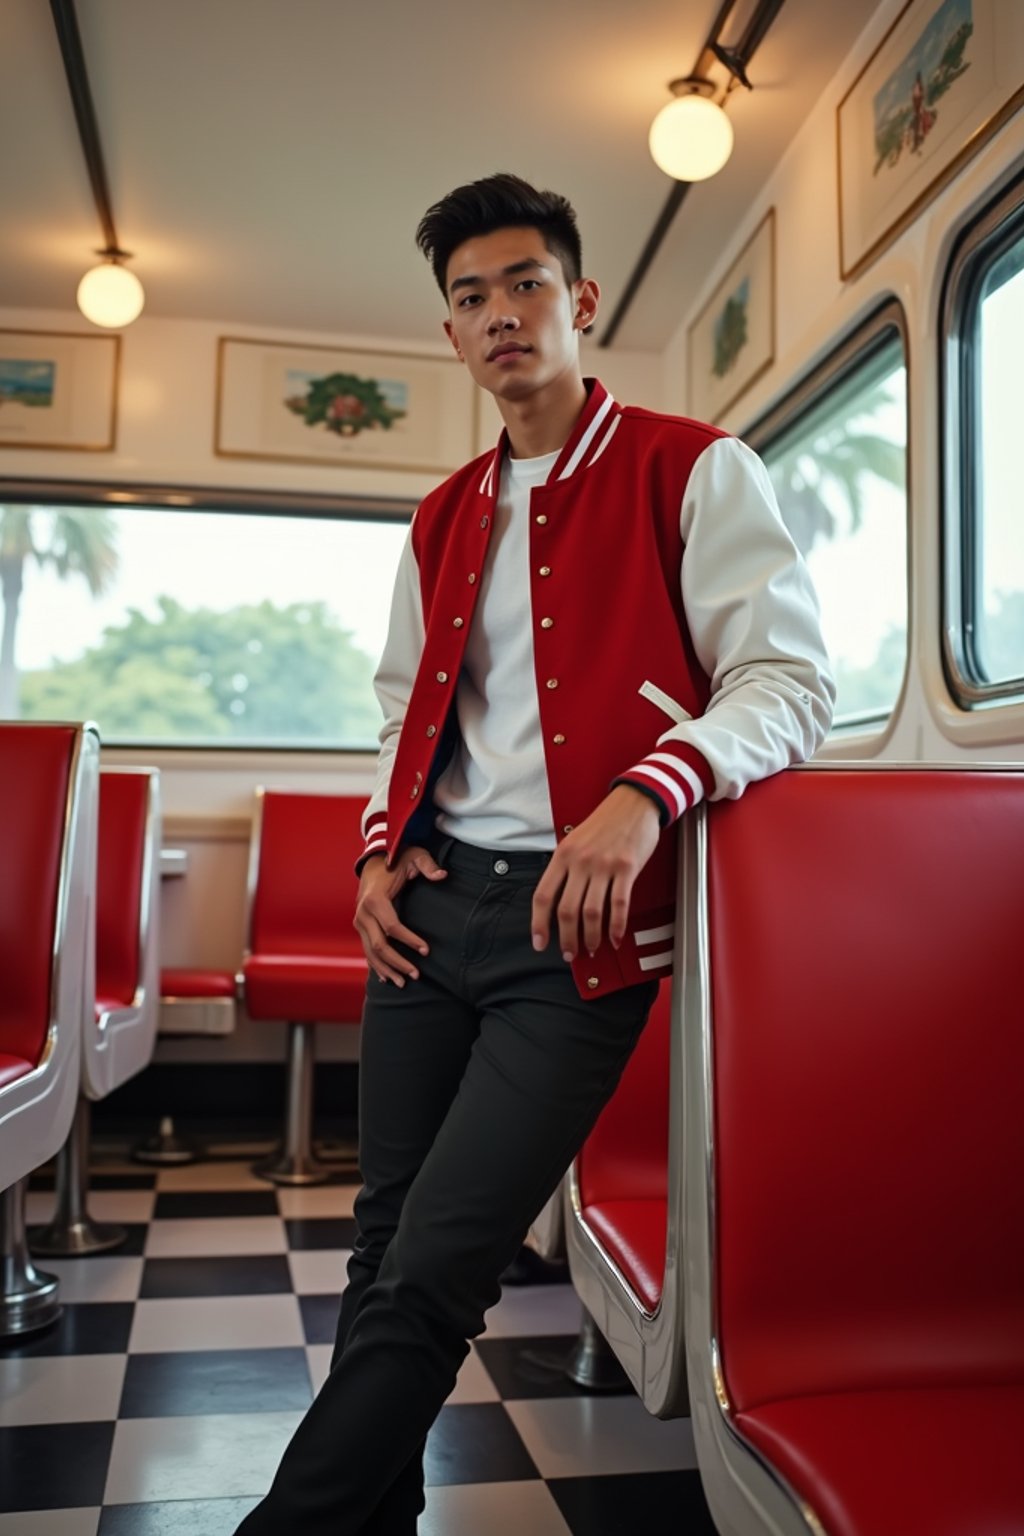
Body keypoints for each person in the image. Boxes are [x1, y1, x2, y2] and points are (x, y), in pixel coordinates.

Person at [235, 172, 834, 1536]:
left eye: (523, 286)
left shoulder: (694, 466)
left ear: (581, 302)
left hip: (582, 933)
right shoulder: (440, 514)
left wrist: (643, 796)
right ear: (448, 334)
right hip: (430, 916)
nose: (499, 315)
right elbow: (402, 710)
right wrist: (377, 862)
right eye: (469, 297)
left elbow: (792, 684)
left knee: (440, 1266)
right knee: (384, 1246)